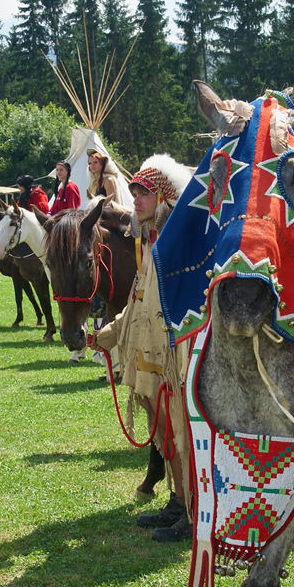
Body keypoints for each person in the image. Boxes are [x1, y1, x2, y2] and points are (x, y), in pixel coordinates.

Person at [89, 154, 193, 542]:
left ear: (164, 197)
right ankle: (177, 502)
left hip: (172, 357)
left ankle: (192, 511)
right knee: (164, 435)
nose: (136, 199)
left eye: (144, 192)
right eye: (134, 192)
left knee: (180, 434)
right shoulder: (146, 244)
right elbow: (137, 303)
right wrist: (106, 335)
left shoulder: (176, 245)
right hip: (148, 355)